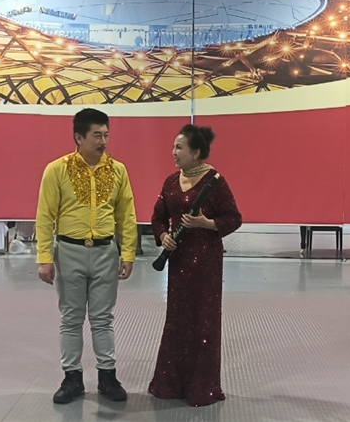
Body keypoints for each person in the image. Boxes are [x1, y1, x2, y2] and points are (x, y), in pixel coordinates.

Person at [36, 108, 138, 404]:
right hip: (68, 252)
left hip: (106, 252)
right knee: (71, 318)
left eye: (106, 134)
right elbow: (45, 216)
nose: (103, 141)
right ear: (78, 137)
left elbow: (126, 215)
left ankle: (107, 376)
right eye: (97, 135)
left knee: (103, 319)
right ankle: (72, 378)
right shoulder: (56, 170)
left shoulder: (118, 170)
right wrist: (44, 257)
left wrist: (128, 253)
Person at [149, 124, 242, 407]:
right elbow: (158, 217)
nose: (173, 152)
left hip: (206, 263)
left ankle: (202, 386)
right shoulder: (170, 182)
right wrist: (163, 236)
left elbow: (234, 218)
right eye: (173, 147)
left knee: (203, 322)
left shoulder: (215, 181)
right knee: (177, 319)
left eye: (179, 147)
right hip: (178, 261)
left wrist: (206, 223)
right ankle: (171, 383)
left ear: (196, 152)